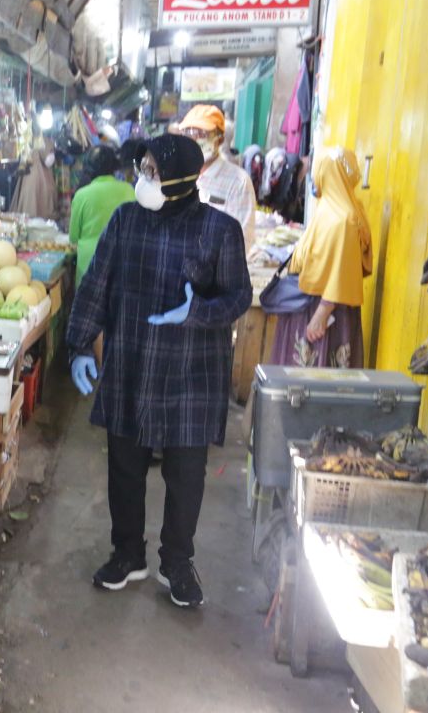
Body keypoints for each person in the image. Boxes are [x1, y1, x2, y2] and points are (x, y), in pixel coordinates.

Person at [66, 135, 252, 609]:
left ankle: (176, 562)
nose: (143, 178)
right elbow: (97, 284)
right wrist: (81, 345)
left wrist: (197, 312)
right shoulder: (126, 220)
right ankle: (128, 553)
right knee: (124, 468)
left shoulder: (219, 230)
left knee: (185, 476)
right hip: (131, 362)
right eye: (142, 168)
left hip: (190, 374)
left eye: (152, 171)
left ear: (180, 180)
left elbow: (237, 298)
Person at [271, 148, 372, 368]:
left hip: (321, 309)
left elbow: (341, 269)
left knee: (315, 374)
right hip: (318, 304)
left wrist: (321, 314)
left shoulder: (341, 218)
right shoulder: (341, 209)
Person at [180, 104, 257, 251]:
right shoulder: (178, 175)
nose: (194, 139)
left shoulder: (238, 182)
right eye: (189, 133)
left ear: (220, 139)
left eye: (202, 134)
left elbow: (243, 240)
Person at [69, 145, 135, 288]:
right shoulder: (129, 190)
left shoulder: (82, 195)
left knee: (87, 307)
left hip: (89, 262)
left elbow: (73, 237)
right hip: (123, 260)